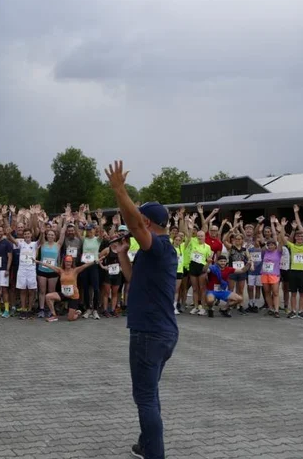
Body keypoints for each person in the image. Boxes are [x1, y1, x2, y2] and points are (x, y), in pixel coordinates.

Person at [105, 161, 177, 459]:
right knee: (150, 392)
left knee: (145, 398)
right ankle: (146, 445)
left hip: (149, 333)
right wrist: (123, 255)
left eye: (139, 220)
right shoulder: (157, 251)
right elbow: (134, 280)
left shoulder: (157, 246)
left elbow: (134, 224)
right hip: (161, 332)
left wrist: (119, 190)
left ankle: (154, 454)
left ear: (147, 222)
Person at [36, 255, 99, 322]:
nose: (68, 263)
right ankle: (54, 315)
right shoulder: (60, 270)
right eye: (67, 262)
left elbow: (85, 266)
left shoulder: (75, 270)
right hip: (64, 294)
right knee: (48, 296)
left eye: (69, 262)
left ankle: (77, 313)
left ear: (72, 263)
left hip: (73, 296)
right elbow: (49, 266)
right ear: (64, 262)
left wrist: (94, 261)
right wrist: (38, 262)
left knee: (70, 318)